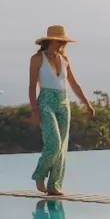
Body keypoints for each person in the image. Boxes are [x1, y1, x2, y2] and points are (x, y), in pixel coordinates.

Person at [29, 25, 94, 195]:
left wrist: (87, 103)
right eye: (60, 41)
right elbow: (31, 86)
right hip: (45, 102)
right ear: (51, 40)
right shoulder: (37, 59)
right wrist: (34, 110)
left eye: (64, 42)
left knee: (63, 147)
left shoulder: (64, 59)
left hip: (64, 103)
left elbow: (74, 84)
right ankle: (39, 174)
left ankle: (54, 184)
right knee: (54, 143)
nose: (63, 44)